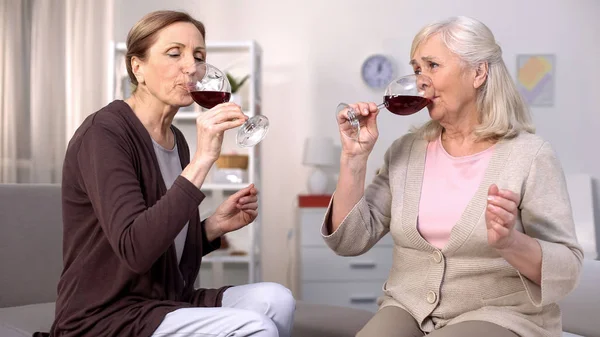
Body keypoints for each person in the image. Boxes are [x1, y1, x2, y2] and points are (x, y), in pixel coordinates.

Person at [325, 16, 582, 337]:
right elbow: (349, 242)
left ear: (479, 72)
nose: (421, 80)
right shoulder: (405, 151)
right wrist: (354, 158)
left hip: (502, 313)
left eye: (432, 66)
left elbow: (568, 268)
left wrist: (511, 242)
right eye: (417, 69)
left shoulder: (530, 155)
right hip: (408, 306)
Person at [45, 10, 295, 337]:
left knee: (278, 299)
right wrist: (203, 160)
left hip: (164, 299)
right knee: (254, 326)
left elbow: (165, 248)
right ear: (138, 67)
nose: (191, 66)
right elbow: (136, 249)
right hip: (107, 313)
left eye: (199, 55)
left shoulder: (176, 140)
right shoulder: (104, 134)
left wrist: (210, 229)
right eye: (174, 53)